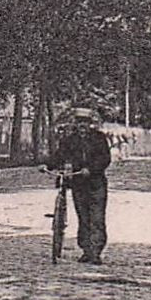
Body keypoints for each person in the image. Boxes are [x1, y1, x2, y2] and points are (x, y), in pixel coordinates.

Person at [46, 107, 112, 263]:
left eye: (85, 122)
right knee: (83, 217)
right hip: (78, 184)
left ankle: (96, 252)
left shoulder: (99, 138)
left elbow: (105, 159)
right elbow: (59, 156)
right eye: (79, 122)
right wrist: (47, 166)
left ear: (90, 124)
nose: (82, 125)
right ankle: (86, 250)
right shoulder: (70, 140)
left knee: (96, 218)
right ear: (75, 123)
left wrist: (91, 169)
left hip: (96, 184)